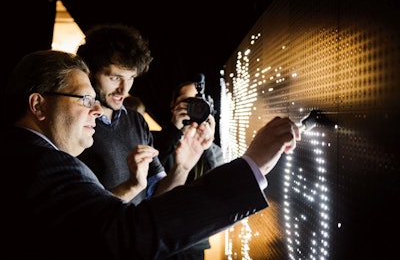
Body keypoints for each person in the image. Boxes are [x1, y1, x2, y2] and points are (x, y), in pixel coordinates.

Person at [3, 49, 300, 259]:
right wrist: (252, 164)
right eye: (85, 99)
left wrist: (182, 168)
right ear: (38, 105)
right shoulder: (39, 164)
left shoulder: (33, 156)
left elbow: (102, 223)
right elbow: (126, 232)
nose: (96, 111)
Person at [76, 23, 196, 204]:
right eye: (115, 78)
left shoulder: (136, 120)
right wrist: (133, 185)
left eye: (130, 78)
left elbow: (158, 195)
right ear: (89, 73)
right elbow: (79, 214)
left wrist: (182, 168)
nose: (123, 90)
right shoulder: (73, 123)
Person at [153, 80, 224, 259]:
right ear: (173, 104)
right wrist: (174, 131)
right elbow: (151, 169)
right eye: (187, 102)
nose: (193, 108)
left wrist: (207, 145)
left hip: (193, 242)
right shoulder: (155, 139)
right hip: (155, 237)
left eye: (197, 103)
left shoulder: (212, 151)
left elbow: (219, 186)